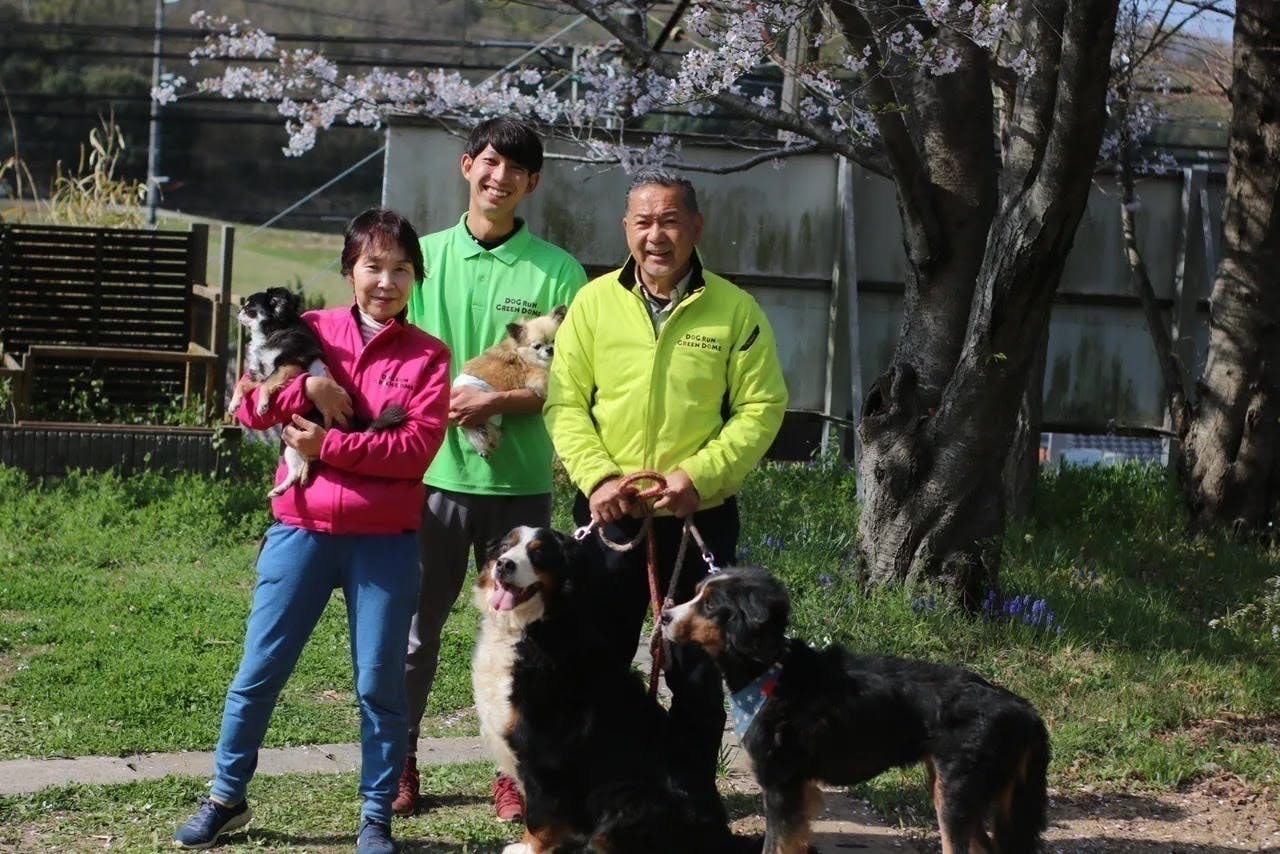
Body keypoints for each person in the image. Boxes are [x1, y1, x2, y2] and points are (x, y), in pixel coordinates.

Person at [172, 208, 451, 854]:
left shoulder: (428, 357)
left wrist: (328, 446)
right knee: (259, 671)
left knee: (379, 684)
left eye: (401, 270)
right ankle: (226, 796)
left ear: (415, 277)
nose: (386, 281)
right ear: (350, 270)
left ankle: (375, 815)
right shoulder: (310, 330)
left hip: (384, 541)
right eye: (373, 266)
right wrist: (310, 385)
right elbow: (251, 407)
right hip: (300, 530)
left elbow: (413, 451)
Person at [544, 168, 788, 827]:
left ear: (696, 228)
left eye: (671, 221)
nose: (657, 236)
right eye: (644, 222)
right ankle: (600, 800)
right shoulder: (593, 304)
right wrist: (598, 477)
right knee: (596, 662)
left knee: (698, 671)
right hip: (610, 518)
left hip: (698, 517)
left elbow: (762, 407)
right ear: (626, 229)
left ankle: (691, 806)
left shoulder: (735, 310)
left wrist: (700, 476)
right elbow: (565, 403)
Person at [394, 118, 587, 820]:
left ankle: (515, 769)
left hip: (520, 488)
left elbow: (571, 383)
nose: (499, 178)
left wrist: (498, 401)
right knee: (415, 635)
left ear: (533, 183)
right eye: (490, 162)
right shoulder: (423, 258)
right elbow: (390, 352)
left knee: (526, 640)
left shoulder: (558, 273)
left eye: (516, 169)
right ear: (467, 165)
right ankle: (399, 760)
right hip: (432, 479)